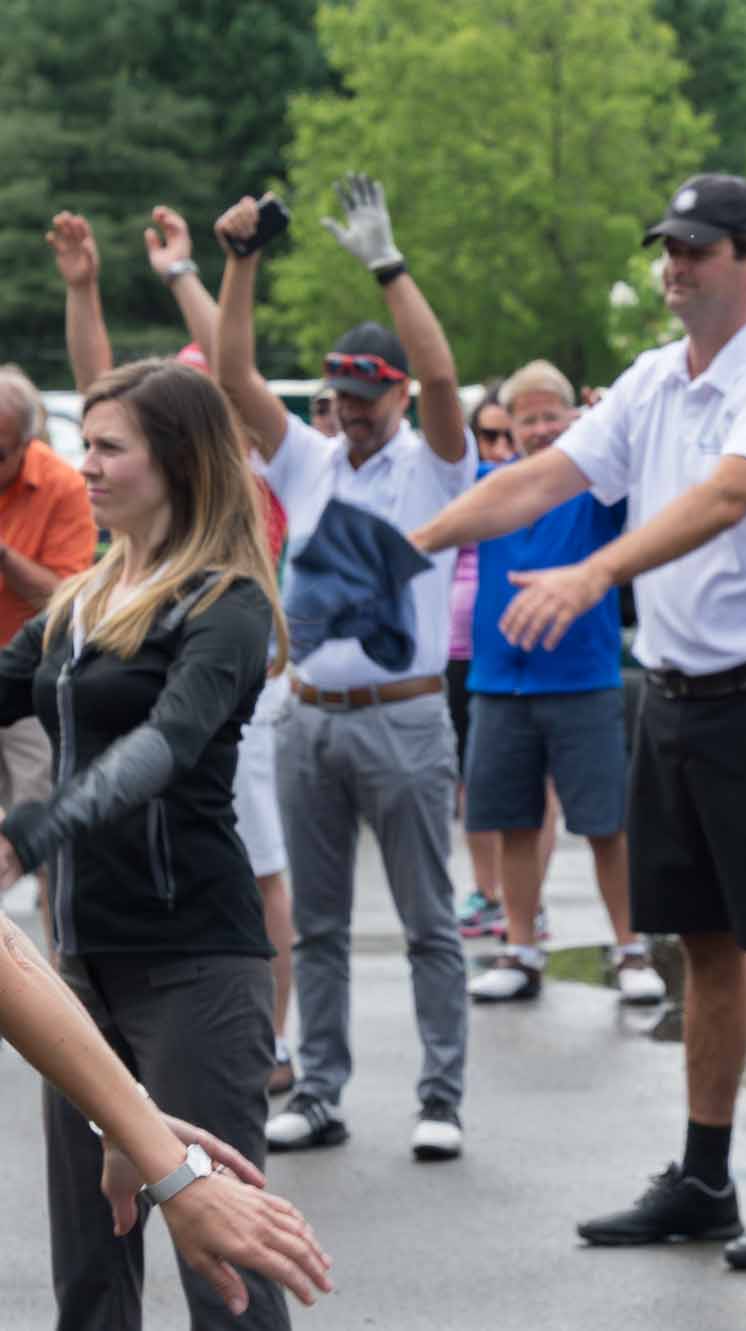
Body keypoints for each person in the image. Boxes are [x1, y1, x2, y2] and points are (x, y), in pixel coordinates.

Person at [409, 173, 746, 1268]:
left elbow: (726, 495)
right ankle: (705, 1177)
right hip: (675, 695)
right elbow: (537, 479)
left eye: (699, 248)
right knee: (701, 945)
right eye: (668, 244)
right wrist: (404, 548)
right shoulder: (656, 379)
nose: (675, 264)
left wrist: (593, 571)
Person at [0, 356, 333, 1329]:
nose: (87, 466)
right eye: (83, 444)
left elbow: (165, 744)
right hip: (80, 964)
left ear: (177, 462)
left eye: (110, 447)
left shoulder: (225, 602)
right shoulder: (79, 599)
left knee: (222, 1268)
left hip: (195, 960)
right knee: (90, 1266)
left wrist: (31, 832)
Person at [212, 176, 476, 1162]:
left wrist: (389, 267)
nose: (353, 414)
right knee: (318, 926)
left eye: (369, 398)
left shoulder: (434, 460)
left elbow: (447, 384)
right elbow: (236, 377)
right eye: (342, 399)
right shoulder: (312, 459)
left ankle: (440, 1094)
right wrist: (241, 264)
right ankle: (318, 1087)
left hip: (404, 715)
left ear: (394, 394)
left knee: (427, 923)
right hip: (311, 710)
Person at [47, 204, 305, 1096]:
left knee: (263, 859)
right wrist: (83, 289)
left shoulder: (239, 545)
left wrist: (206, 270)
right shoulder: (98, 582)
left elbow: (227, 369)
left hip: (231, 693)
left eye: (109, 449)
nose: (91, 464)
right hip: (90, 937)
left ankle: (272, 1029)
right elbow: (102, 391)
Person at [0, 903, 333, 1317]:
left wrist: (165, 1160)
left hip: (196, 944)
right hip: (84, 951)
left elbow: (10, 952)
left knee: (230, 1279)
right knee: (90, 1281)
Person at [460, 358, 659, 1006]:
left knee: (606, 823)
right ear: (508, 427)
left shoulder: (596, 488)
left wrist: (612, 421)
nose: (542, 429)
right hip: (499, 682)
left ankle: (631, 947)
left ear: (573, 417)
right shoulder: (490, 483)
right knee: (514, 822)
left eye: (553, 414)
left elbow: (643, 475)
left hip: (582, 678)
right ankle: (520, 947)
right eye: (528, 418)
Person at [0, 365, 97, 941]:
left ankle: (64, 975)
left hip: (29, 684)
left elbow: (70, 597)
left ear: (26, 443)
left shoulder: (62, 485)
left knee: (39, 835)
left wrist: (5, 558)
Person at [452, 389, 525, 941]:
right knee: (470, 779)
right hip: (454, 655)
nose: (499, 447)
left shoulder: (539, 486)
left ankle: (530, 897)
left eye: (508, 435)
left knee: (528, 789)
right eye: (488, 436)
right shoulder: (460, 485)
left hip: (515, 653)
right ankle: (486, 890)